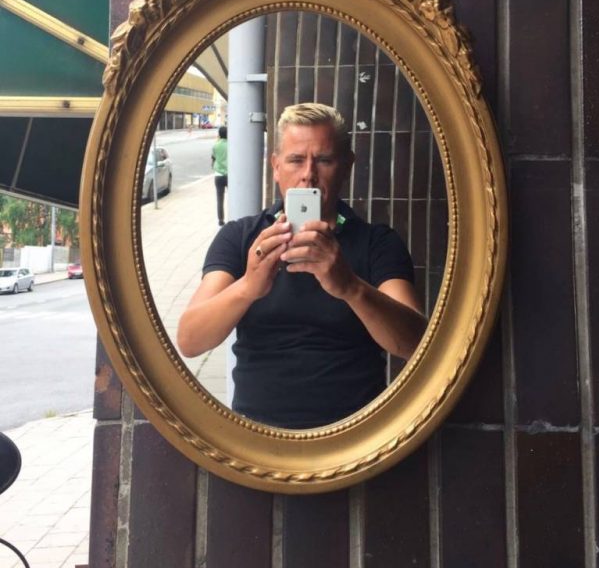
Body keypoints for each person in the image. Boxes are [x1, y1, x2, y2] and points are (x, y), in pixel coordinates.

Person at [177, 103, 426, 428]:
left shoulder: (377, 243)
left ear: (347, 166)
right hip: (256, 436)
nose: (309, 173)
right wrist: (248, 287)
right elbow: (190, 340)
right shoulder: (240, 237)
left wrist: (351, 288)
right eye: (296, 160)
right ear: (276, 167)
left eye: (324, 160)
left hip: (358, 436)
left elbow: (417, 344)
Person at [211, 125, 228, 226]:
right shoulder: (231, 145)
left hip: (218, 175)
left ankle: (221, 220)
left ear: (219, 134)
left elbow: (213, 158)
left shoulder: (215, 145)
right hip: (230, 175)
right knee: (233, 197)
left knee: (219, 199)